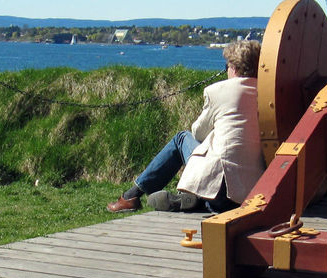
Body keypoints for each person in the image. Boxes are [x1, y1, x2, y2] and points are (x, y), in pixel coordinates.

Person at [107, 40, 266, 214]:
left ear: (233, 67)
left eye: (226, 66)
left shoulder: (217, 91)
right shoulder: (268, 94)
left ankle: (133, 195)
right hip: (250, 193)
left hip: (220, 186)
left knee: (182, 138)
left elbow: (198, 132)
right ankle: (198, 201)